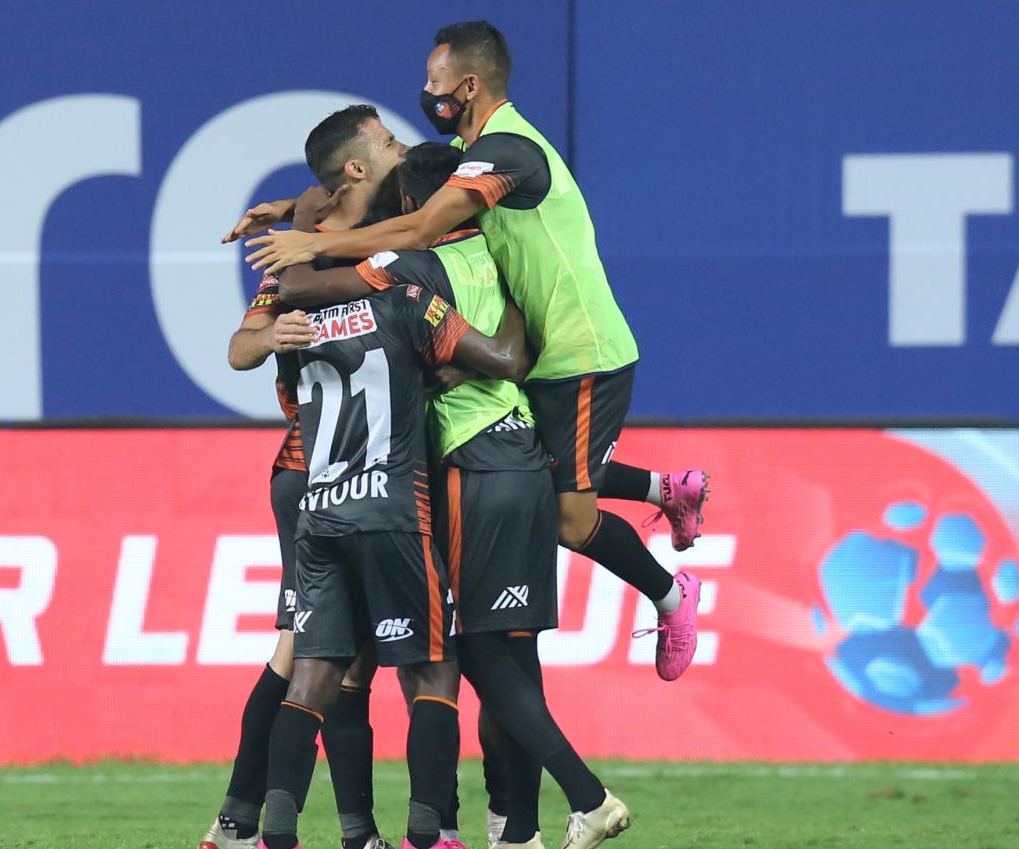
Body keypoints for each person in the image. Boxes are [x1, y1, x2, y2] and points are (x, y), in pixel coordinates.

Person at [242, 21, 707, 685]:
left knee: (569, 518)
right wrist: (293, 206)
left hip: (581, 352)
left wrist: (311, 244)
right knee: (537, 478)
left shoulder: (508, 149)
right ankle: (667, 490)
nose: (425, 95)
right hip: (543, 353)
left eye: (433, 84)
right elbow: (401, 181)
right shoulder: (472, 146)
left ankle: (672, 594)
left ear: (467, 84)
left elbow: (423, 222)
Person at [274, 141, 632, 849]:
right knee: (510, 651)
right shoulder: (496, 255)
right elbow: (511, 355)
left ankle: (568, 802)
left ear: (411, 209)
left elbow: (300, 303)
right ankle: (515, 833)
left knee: (443, 654)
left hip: (458, 466)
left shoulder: (408, 271)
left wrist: (303, 238)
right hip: (527, 456)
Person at [249, 266, 530, 849]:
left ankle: (276, 847)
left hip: (317, 514)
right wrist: (517, 302)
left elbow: (259, 368)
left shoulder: (295, 327)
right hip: (391, 513)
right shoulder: (406, 301)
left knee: (314, 676)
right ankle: (428, 844)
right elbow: (504, 360)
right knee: (435, 668)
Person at [200, 105, 407, 849]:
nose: (398, 147)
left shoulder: (336, 232)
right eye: (383, 140)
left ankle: (243, 826)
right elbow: (239, 347)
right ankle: (349, 841)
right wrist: (272, 333)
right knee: (326, 656)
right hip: (315, 472)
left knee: (306, 654)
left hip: (349, 470)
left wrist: (295, 213)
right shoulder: (310, 270)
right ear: (351, 175)